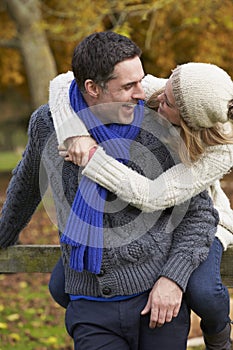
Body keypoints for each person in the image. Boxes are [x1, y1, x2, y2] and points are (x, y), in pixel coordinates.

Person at [0, 32, 218, 350]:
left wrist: (173, 278)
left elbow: (199, 213)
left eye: (141, 82)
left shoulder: (159, 128)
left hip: (159, 303)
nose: (141, 94)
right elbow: (26, 184)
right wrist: (4, 234)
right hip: (89, 306)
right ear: (92, 88)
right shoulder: (49, 125)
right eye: (128, 87)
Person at [49, 61, 233, 349]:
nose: (157, 97)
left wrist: (92, 157)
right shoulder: (168, 90)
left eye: (168, 102)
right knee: (61, 286)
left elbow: (152, 196)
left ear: (187, 120)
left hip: (200, 216)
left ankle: (219, 334)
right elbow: (64, 82)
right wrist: (74, 133)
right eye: (166, 85)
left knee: (202, 291)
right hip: (152, 210)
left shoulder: (221, 152)